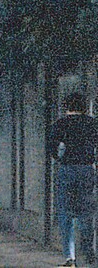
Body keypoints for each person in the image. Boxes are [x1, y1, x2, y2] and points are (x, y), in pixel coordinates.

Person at [49, 92, 98, 267]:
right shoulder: (92, 124)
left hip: (67, 169)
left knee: (65, 213)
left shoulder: (60, 124)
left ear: (66, 106)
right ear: (84, 106)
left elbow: (52, 149)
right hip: (87, 169)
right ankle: (88, 253)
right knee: (86, 212)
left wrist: (61, 157)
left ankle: (70, 258)